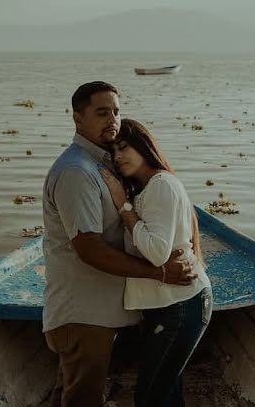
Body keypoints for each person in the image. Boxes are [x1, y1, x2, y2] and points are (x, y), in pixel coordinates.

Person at [42, 82, 196, 407]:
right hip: (83, 312)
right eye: (101, 112)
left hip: (98, 309)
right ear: (77, 119)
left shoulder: (107, 164)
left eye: (115, 111)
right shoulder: (77, 172)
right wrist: (159, 273)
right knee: (83, 398)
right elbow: (89, 249)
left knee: (71, 393)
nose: (112, 119)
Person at [100, 118, 212, 407]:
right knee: (165, 393)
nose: (118, 156)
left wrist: (122, 205)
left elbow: (157, 252)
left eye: (124, 147)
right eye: (113, 152)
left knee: (149, 397)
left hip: (180, 306)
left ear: (144, 146)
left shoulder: (161, 185)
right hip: (168, 306)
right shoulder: (147, 189)